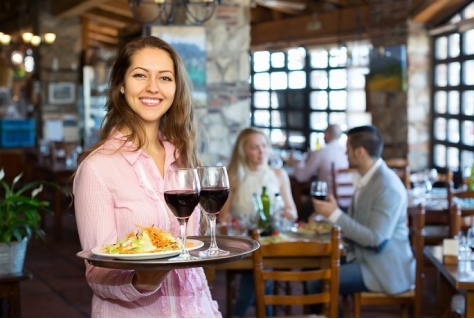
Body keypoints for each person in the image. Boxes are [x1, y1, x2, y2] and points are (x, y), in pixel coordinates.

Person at [73, 36, 221, 318]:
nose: (153, 87)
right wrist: (142, 281)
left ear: (176, 89)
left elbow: (193, 265)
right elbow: (97, 274)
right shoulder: (97, 168)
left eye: (165, 78)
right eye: (140, 75)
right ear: (121, 85)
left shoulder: (182, 160)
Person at [307, 125, 415, 305]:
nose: (345, 154)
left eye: (347, 149)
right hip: (362, 257)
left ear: (360, 152)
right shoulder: (368, 178)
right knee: (312, 267)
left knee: (315, 282)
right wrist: (332, 215)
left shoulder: (387, 186)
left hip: (383, 268)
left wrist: (335, 215)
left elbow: (376, 239)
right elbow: (358, 223)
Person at [219, 127, 298, 318]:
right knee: (259, 267)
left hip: (272, 240)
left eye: (264, 146)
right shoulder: (235, 176)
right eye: (254, 147)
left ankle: (239, 314)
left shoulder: (278, 175)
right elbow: (223, 216)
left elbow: (292, 213)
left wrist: (286, 213)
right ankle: (265, 313)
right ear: (243, 151)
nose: (261, 151)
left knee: (258, 267)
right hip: (244, 241)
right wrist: (233, 221)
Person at [288, 124, 350, 218]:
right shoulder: (347, 152)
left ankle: (303, 227)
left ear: (327, 134)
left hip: (329, 203)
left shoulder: (322, 152)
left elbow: (301, 177)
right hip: (350, 204)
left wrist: (298, 162)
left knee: (304, 206)